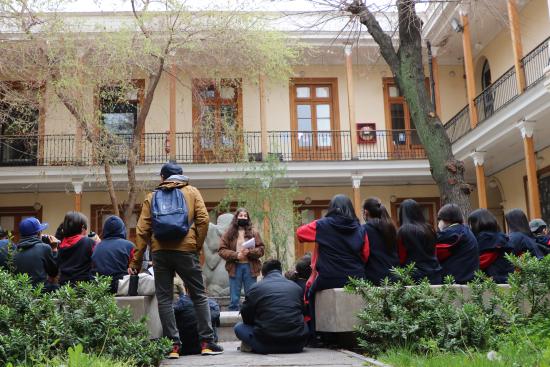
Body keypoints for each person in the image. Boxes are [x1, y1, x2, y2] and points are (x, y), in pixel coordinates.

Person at [128, 162, 223, 359]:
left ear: (163, 178)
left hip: (160, 251)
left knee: (164, 298)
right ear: (180, 176)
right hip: (186, 249)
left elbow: (142, 230)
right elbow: (203, 220)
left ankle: (173, 346)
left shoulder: (152, 196)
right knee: (198, 294)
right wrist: (196, 245)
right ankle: (206, 342)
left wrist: (136, 262)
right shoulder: (192, 191)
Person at [296, 194, 369, 341]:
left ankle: (315, 335)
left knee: (310, 294)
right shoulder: (360, 228)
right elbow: (366, 254)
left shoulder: (323, 225)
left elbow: (300, 233)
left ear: (331, 208)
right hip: (356, 276)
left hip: (329, 276)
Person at [234, 259, 309, 354]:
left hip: (266, 345)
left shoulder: (255, 288)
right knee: (304, 324)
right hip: (297, 344)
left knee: (238, 327)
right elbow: (303, 312)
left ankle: (253, 344)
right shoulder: (296, 287)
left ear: (263, 273)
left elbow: (246, 316)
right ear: (280, 271)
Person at [218, 208, 265, 311]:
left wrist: (250, 252)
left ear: (248, 218)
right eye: (241, 215)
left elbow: (261, 250)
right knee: (234, 297)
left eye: (245, 216)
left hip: (250, 267)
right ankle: (233, 318)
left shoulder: (254, 232)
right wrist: (235, 255)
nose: (243, 217)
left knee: (251, 294)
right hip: (235, 267)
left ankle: (251, 315)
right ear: (236, 217)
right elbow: (221, 250)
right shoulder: (228, 233)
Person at [397, 199, 442, 284]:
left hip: (414, 275)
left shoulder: (403, 231)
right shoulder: (429, 228)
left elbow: (401, 256)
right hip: (434, 272)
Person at [434, 204, 479, 284]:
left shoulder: (452, 233)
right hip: (469, 278)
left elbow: (433, 244)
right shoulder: (465, 230)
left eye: (439, 219)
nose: (438, 223)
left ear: (446, 219)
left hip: (456, 280)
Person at [467, 209, 514, 283]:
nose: (469, 227)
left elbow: (481, 262)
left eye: (470, 224)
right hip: (507, 279)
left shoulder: (484, 238)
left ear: (476, 223)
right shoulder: (502, 237)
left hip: (493, 281)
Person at [92, 215, 135, 293]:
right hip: (122, 287)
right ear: (122, 229)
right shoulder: (129, 246)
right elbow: (135, 268)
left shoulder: (96, 247)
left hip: (99, 287)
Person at [13, 217, 59, 291]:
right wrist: (54, 249)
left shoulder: (15, 250)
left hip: (21, 293)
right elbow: (53, 273)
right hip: (41, 292)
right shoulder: (44, 248)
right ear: (38, 233)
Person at [362, 198, 399, 285]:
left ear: (366, 212)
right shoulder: (392, 228)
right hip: (394, 276)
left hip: (374, 277)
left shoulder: (364, 229)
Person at [58, 211, 95, 285]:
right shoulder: (88, 242)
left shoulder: (61, 244)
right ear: (82, 228)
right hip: (84, 286)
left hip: (64, 286)